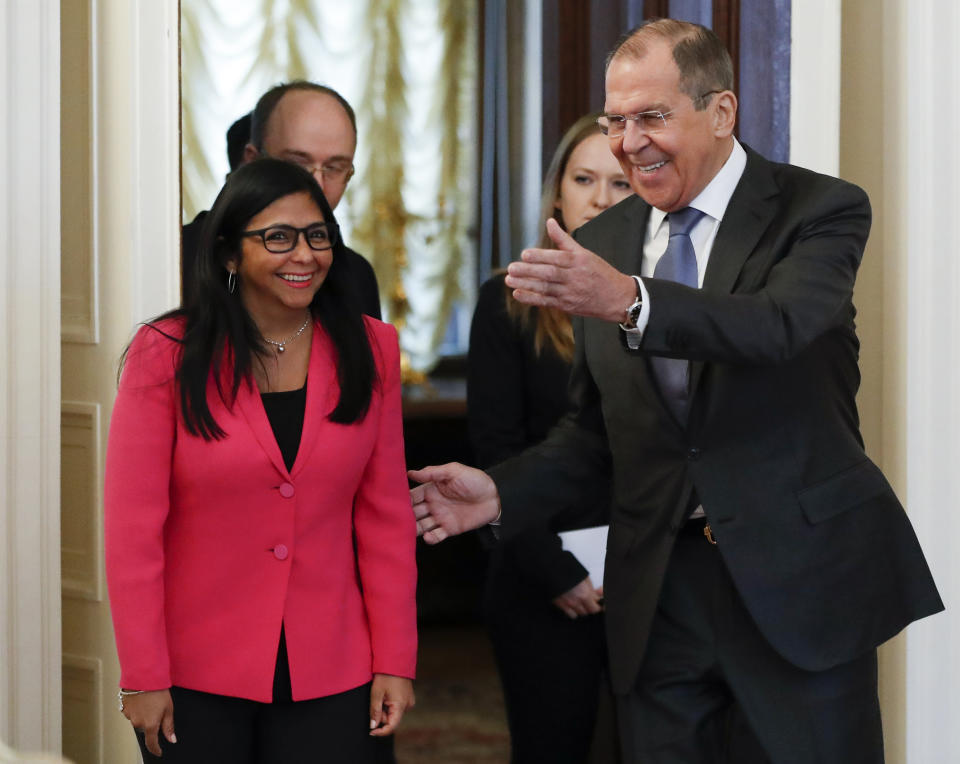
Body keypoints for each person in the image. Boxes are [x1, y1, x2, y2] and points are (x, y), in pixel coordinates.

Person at [410, 18, 943, 764]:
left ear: (720, 112)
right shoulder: (604, 243)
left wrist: (633, 300)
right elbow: (599, 431)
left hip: (797, 584)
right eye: (616, 122)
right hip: (659, 591)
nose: (630, 143)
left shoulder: (818, 211)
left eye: (652, 117)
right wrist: (501, 492)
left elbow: (776, 327)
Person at [105, 158, 416, 762]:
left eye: (317, 235)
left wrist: (395, 660)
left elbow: (386, 519)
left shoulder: (371, 348)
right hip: (195, 670)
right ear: (228, 254)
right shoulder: (165, 354)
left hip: (334, 664)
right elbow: (133, 533)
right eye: (277, 237)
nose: (303, 254)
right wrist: (142, 673)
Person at [469, 113, 632, 763]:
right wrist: (556, 572)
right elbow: (497, 450)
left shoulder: (668, 301)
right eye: (584, 178)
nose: (598, 198)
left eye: (619, 183)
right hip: (540, 580)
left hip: (647, 577)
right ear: (557, 194)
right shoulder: (508, 301)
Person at [182, 81, 381, 318]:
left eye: (335, 167)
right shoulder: (179, 257)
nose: (316, 184)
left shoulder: (356, 276)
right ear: (252, 160)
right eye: (298, 164)